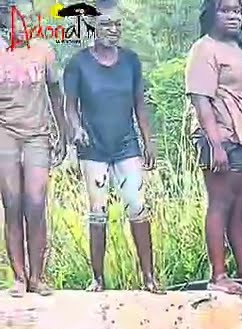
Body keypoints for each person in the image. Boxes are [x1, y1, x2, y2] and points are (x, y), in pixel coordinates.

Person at [63, 7, 161, 293]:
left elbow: (139, 103)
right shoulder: (78, 64)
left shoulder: (130, 61)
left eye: (118, 24)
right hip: (93, 144)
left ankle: (149, 277)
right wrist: (76, 129)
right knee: (98, 210)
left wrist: (148, 140)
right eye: (107, 25)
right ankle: (97, 279)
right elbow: (70, 106)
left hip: (126, 143)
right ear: (93, 27)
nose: (114, 30)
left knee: (136, 204)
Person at [185, 0, 242, 295]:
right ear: (211, 14)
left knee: (240, 207)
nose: (233, 16)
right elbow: (201, 100)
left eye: (237, 11)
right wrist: (216, 144)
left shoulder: (241, 48)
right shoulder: (204, 49)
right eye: (225, 10)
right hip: (224, 137)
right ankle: (218, 275)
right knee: (220, 204)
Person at [0, 0, 68, 297]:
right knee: (12, 203)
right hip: (5, 133)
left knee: (36, 202)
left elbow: (55, 92)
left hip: (37, 134)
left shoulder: (43, 51)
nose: (24, 25)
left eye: (29, 19)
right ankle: (19, 277)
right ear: (5, 21)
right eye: (18, 19)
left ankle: (37, 276)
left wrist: (63, 131)